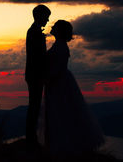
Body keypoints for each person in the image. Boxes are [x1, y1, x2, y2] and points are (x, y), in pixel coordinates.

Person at [41, 20, 105, 157]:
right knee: (61, 112)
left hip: (59, 83)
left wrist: (48, 79)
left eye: (55, 26)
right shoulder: (59, 44)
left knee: (61, 112)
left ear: (60, 30)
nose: (52, 27)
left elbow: (58, 68)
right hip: (59, 81)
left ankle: (63, 147)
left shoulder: (61, 46)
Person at [25, 4, 51, 149]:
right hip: (35, 74)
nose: (47, 21)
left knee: (34, 105)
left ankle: (31, 137)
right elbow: (37, 56)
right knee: (34, 106)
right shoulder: (34, 32)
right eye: (46, 17)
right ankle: (31, 138)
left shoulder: (34, 31)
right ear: (39, 16)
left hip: (34, 74)